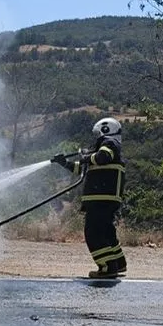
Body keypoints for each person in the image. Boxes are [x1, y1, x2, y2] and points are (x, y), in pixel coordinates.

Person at [51, 117, 128, 279]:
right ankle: (118, 263)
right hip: (105, 199)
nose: (95, 138)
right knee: (106, 232)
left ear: (105, 129)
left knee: (93, 233)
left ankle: (107, 267)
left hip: (102, 198)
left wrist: (86, 156)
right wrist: (63, 163)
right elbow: (82, 169)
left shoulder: (109, 143)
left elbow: (101, 158)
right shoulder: (107, 147)